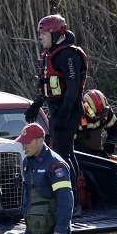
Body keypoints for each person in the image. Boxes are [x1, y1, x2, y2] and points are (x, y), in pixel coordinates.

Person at [25, 14, 88, 205]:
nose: (41, 38)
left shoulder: (68, 55)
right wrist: (38, 103)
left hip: (68, 111)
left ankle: (71, 202)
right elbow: (51, 85)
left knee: (61, 156)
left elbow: (73, 88)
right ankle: (73, 200)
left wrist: (62, 116)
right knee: (68, 153)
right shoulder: (51, 54)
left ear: (55, 33)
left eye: (44, 34)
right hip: (57, 110)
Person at [75, 89, 117, 157]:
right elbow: (69, 144)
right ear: (86, 109)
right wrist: (91, 153)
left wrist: (111, 141)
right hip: (78, 158)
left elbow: (115, 127)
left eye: (103, 114)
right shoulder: (75, 117)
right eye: (98, 115)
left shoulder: (105, 111)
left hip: (96, 157)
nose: (101, 117)